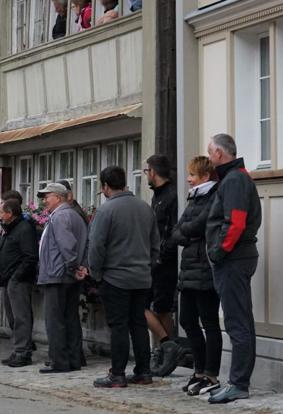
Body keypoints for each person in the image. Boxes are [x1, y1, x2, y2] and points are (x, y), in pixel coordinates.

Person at [82, 166, 158, 388]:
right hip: (142, 276)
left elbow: (96, 246)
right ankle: (144, 371)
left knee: (119, 326)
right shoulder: (145, 208)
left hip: (115, 277)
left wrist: (96, 273)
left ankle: (117, 373)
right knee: (139, 324)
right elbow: (155, 244)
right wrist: (147, 266)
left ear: (105, 187)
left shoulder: (106, 211)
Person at [205, 133, 262, 404]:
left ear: (219, 154)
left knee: (237, 321)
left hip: (234, 259)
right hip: (236, 257)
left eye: (209, 153)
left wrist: (218, 252)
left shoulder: (235, 180)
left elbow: (236, 222)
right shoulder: (234, 178)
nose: (208, 158)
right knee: (241, 320)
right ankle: (239, 381)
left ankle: (239, 383)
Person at [172, 156, 222, 396]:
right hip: (189, 269)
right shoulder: (194, 197)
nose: (189, 179)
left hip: (204, 269)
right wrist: (186, 233)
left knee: (209, 323)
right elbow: (178, 231)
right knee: (187, 320)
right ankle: (199, 370)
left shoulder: (213, 196)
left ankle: (211, 374)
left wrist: (187, 233)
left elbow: (200, 226)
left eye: (192, 175)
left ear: (204, 176)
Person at [36, 182, 87, 374]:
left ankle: (60, 361)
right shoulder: (74, 214)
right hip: (67, 274)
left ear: (58, 197)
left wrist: (73, 266)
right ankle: (73, 359)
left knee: (55, 320)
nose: (44, 201)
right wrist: (79, 267)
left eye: (47, 196)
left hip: (57, 275)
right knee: (70, 318)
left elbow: (67, 246)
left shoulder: (60, 216)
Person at [144, 154, 183, 377]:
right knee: (151, 305)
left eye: (146, 171)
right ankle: (164, 346)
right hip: (155, 259)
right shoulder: (157, 196)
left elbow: (172, 230)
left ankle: (167, 349)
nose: (146, 175)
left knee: (162, 307)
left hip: (165, 261)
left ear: (153, 172)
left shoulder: (170, 196)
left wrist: (160, 254)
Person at [0, 199, 38, 367]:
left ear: (9, 213)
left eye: (1, 212)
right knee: (13, 318)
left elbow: (30, 257)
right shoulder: (11, 229)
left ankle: (23, 352)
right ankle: (19, 349)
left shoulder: (24, 228)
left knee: (21, 317)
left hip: (18, 280)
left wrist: (16, 276)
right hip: (8, 279)